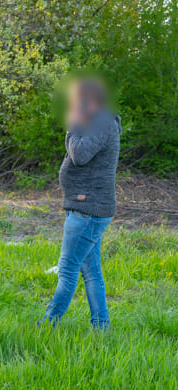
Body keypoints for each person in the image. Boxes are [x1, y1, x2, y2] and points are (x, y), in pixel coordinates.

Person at [42, 77, 121, 330]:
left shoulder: (103, 122)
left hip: (89, 210)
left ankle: (47, 325)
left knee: (67, 270)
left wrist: (72, 126)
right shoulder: (94, 122)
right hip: (85, 209)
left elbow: (79, 155)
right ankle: (101, 326)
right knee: (91, 271)